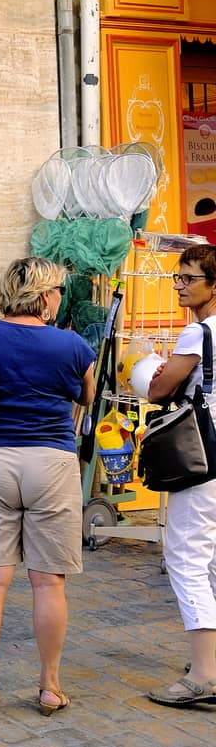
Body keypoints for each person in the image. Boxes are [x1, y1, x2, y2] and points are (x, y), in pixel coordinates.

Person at [0, 256, 94, 718]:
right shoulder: (72, 345)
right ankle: (49, 685)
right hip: (51, 460)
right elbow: (86, 395)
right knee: (48, 582)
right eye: (57, 290)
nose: (60, 297)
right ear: (44, 296)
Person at [143, 244, 216, 708]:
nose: (180, 286)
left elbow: (157, 388)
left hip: (204, 455)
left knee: (187, 555)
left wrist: (143, 361)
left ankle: (205, 673)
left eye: (189, 278)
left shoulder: (198, 335)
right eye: (178, 276)